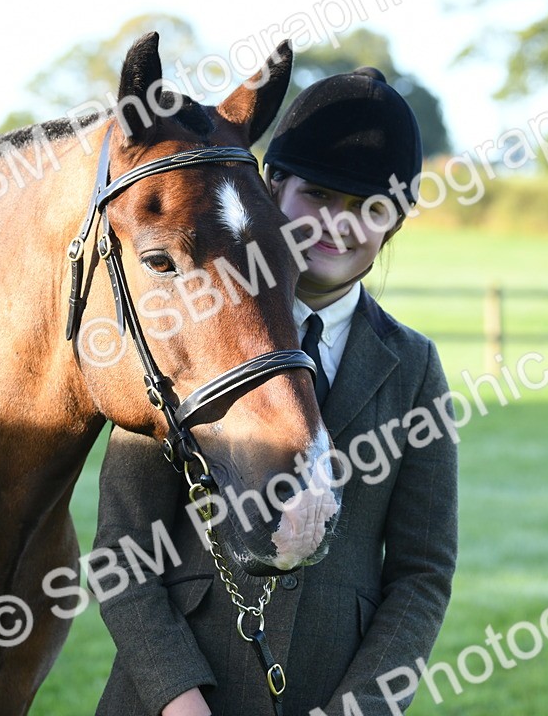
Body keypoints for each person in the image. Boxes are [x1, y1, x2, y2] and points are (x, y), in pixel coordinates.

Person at [94, 67, 458, 716]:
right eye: (317, 194)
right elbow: (122, 551)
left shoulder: (413, 367)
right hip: (171, 699)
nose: (337, 223)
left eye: (369, 208)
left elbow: (422, 575)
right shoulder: (186, 329)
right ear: (269, 187)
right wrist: (179, 700)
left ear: (395, 225)